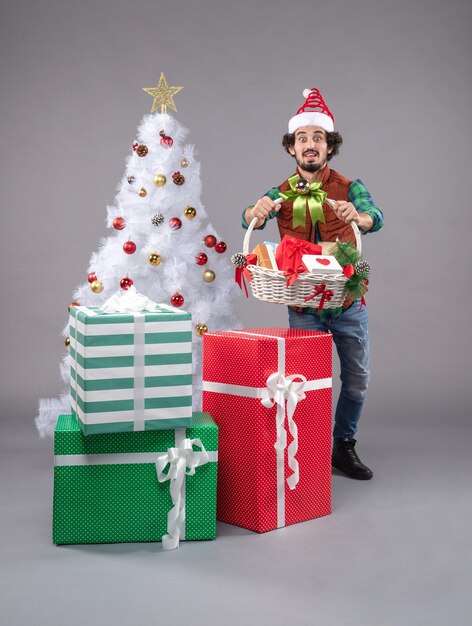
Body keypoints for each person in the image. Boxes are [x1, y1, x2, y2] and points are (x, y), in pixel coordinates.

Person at [242, 88, 384, 480]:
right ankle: (306, 449)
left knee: (357, 378)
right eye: (302, 138)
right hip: (303, 305)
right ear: (292, 147)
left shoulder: (347, 185)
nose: (310, 145)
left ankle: (343, 445)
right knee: (303, 383)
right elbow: (248, 219)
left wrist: (360, 216)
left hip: (346, 302)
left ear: (329, 146)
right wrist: (255, 210)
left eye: (317, 138)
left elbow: (376, 215)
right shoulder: (283, 191)